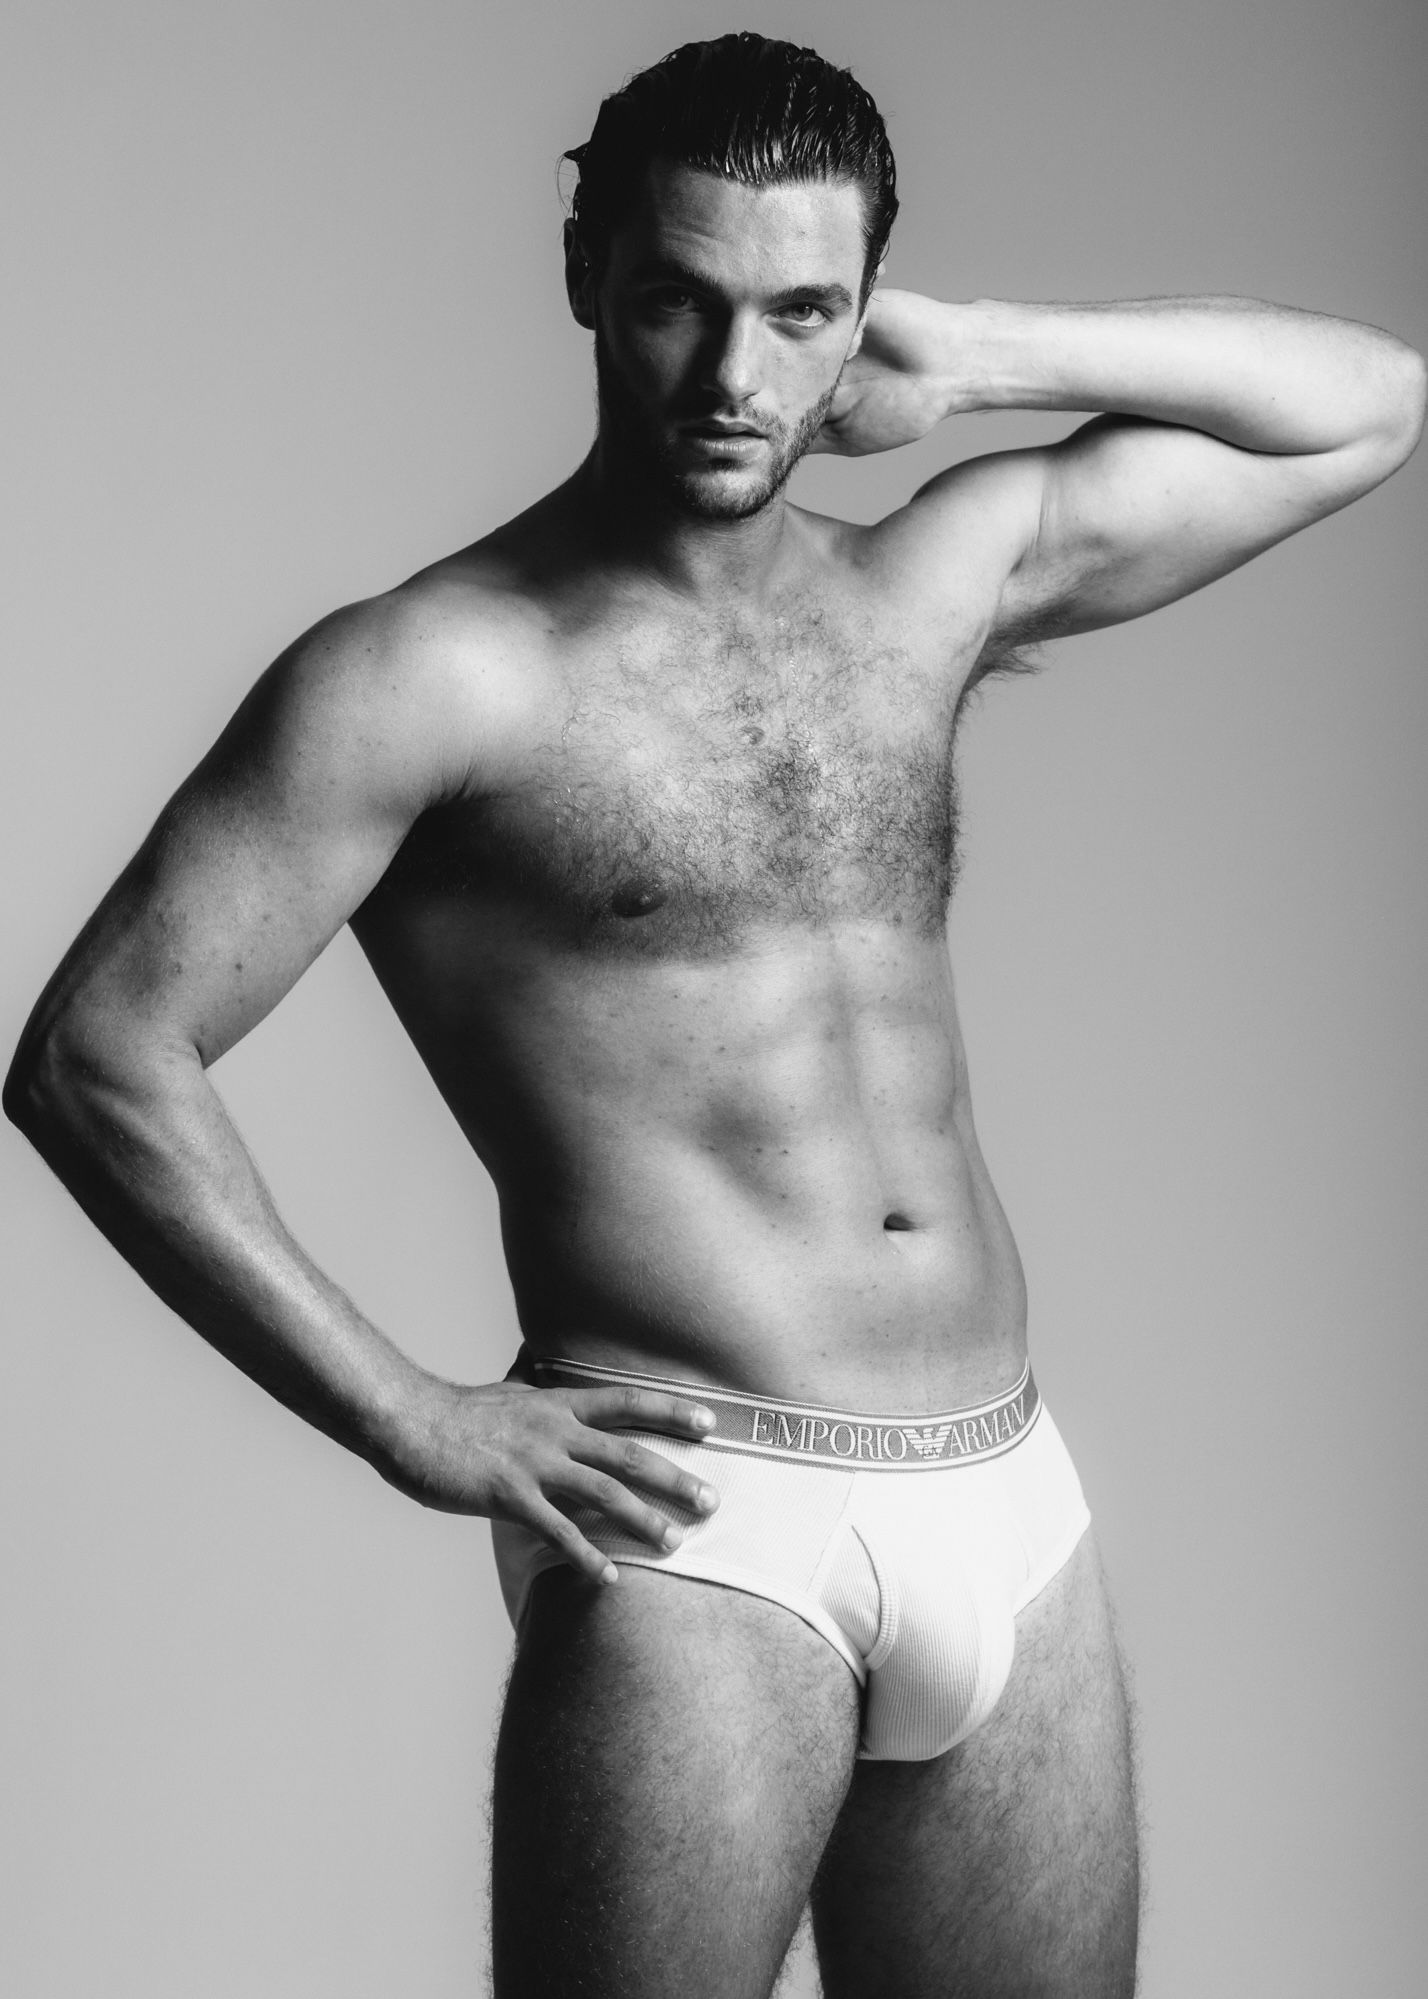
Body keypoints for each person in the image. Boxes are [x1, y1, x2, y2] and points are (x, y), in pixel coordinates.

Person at [6, 29, 1422, 1997]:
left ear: (862, 315)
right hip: (704, 1525)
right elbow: (96, 1053)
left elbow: (1372, 406)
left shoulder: (927, 587)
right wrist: (407, 1414)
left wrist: (975, 355)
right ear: (587, 276)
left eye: (802, 313)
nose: (735, 375)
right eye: (681, 299)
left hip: (1004, 1498)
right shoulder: (432, 674)